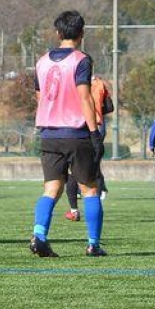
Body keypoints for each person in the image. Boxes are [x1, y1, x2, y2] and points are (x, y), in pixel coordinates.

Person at [29, 10, 106, 258]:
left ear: (58, 33)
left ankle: (39, 236)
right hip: (76, 133)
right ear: (82, 33)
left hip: (49, 134)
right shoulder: (81, 60)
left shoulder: (41, 61)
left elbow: (40, 96)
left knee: (51, 188)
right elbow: (85, 97)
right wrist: (94, 133)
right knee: (90, 189)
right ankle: (93, 244)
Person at [65, 77, 112, 221]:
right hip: (98, 126)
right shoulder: (100, 84)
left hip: (79, 126)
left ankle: (74, 210)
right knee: (93, 164)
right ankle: (100, 191)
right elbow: (110, 107)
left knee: (72, 168)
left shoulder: (73, 82)